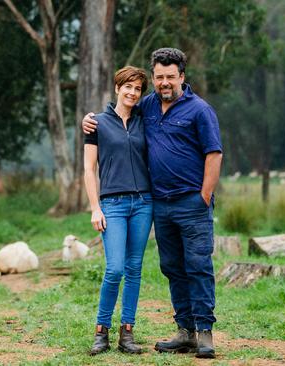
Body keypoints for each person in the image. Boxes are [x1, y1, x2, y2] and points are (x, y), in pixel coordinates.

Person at [83, 48, 223, 359]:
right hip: (160, 204)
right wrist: (88, 120)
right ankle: (184, 331)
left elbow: (214, 154)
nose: (164, 82)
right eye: (159, 77)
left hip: (191, 203)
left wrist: (204, 195)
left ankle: (204, 332)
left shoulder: (200, 110)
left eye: (170, 77)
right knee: (172, 267)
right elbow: (118, 113)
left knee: (198, 266)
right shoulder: (147, 106)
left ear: (182, 77)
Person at [84, 66, 153, 356]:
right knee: (114, 268)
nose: (132, 93)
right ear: (117, 87)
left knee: (134, 269)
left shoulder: (144, 120)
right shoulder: (97, 123)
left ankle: (128, 332)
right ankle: (101, 331)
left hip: (143, 204)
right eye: (128, 87)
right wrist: (94, 208)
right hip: (112, 204)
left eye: (137, 89)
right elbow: (88, 170)